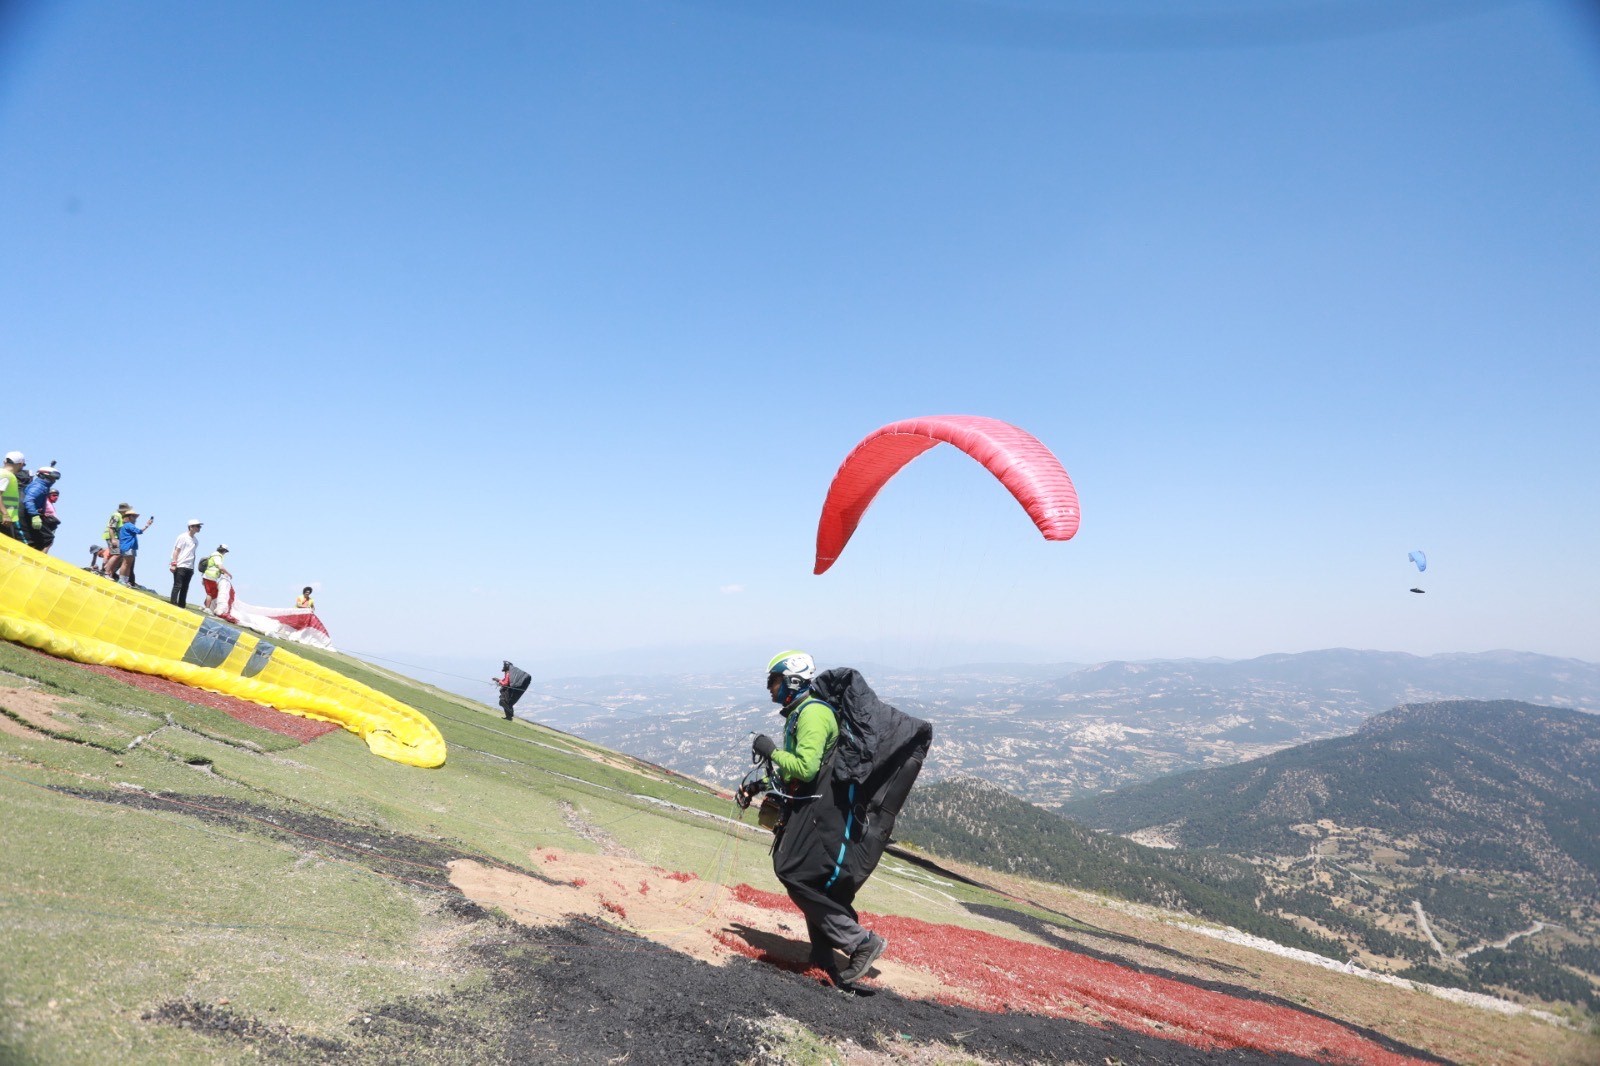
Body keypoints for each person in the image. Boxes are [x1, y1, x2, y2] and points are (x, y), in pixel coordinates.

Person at [744, 651, 887, 988]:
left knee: (792, 870)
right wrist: (757, 785)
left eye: (774, 682)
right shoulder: (802, 714)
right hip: (809, 807)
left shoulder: (812, 715)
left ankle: (861, 941)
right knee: (811, 878)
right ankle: (822, 954)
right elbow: (797, 770)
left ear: (792, 681)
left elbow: (805, 769)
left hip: (818, 811)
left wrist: (770, 750)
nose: (770, 689)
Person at [21, 464, 60, 552]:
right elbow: (29, 500)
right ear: (43, 476)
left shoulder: (44, 487)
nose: (53, 481)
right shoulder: (39, 486)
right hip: (28, 515)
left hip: (33, 515)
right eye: (51, 478)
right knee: (47, 539)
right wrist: (34, 515)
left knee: (42, 539)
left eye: (55, 479)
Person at [115, 510, 154, 586]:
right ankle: (121, 580)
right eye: (134, 516)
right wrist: (147, 525)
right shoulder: (129, 525)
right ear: (129, 517)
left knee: (128, 564)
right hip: (128, 546)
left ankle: (125, 580)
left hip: (130, 547)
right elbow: (139, 531)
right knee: (126, 563)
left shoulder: (126, 525)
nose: (135, 518)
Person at [169, 519, 203, 607]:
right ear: (191, 527)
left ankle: (181, 605)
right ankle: (172, 603)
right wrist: (173, 564)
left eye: (200, 526)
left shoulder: (196, 541)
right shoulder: (182, 537)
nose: (199, 528)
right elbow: (176, 551)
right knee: (178, 585)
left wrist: (192, 568)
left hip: (190, 567)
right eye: (197, 526)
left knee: (185, 587)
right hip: (180, 565)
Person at [200, 545, 232, 615]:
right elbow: (220, 567)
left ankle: (205, 606)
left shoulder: (213, 555)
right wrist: (228, 574)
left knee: (214, 592)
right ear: (224, 551)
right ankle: (207, 608)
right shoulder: (217, 556)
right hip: (210, 576)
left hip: (208, 576)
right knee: (210, 593)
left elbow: (215, 566)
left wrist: (223, 572)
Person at [102, 503, 131, 579]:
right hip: (111, 536)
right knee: (117, 554)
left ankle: (109, 571)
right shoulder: (116, 515)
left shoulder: (121, 517)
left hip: (116, 537)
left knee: (120, 554)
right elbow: (111, 527)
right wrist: (113, 539)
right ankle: (107, 572)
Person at [1, 451, 24, 541]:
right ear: (20, 464)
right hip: (4, 520)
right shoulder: (6, 475)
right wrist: (5, 514)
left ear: (4, 462)